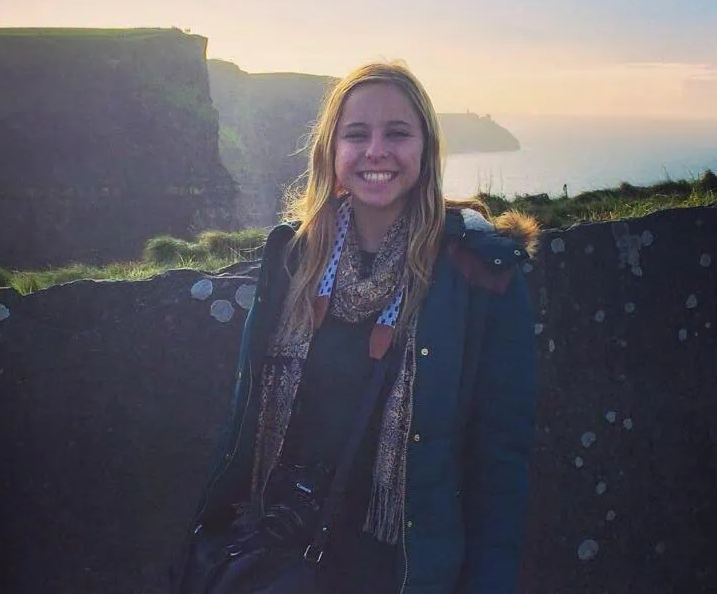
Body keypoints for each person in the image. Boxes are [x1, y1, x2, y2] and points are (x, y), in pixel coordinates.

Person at [173, 61, 539, 593]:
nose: (376, 152)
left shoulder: (477, 273)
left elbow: (499, 461)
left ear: (426, 150)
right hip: (288, 558)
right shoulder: (294, 259)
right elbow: (244, 422)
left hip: (400, 571)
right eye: (356, 134)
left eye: (398, 133)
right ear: (331, 151)